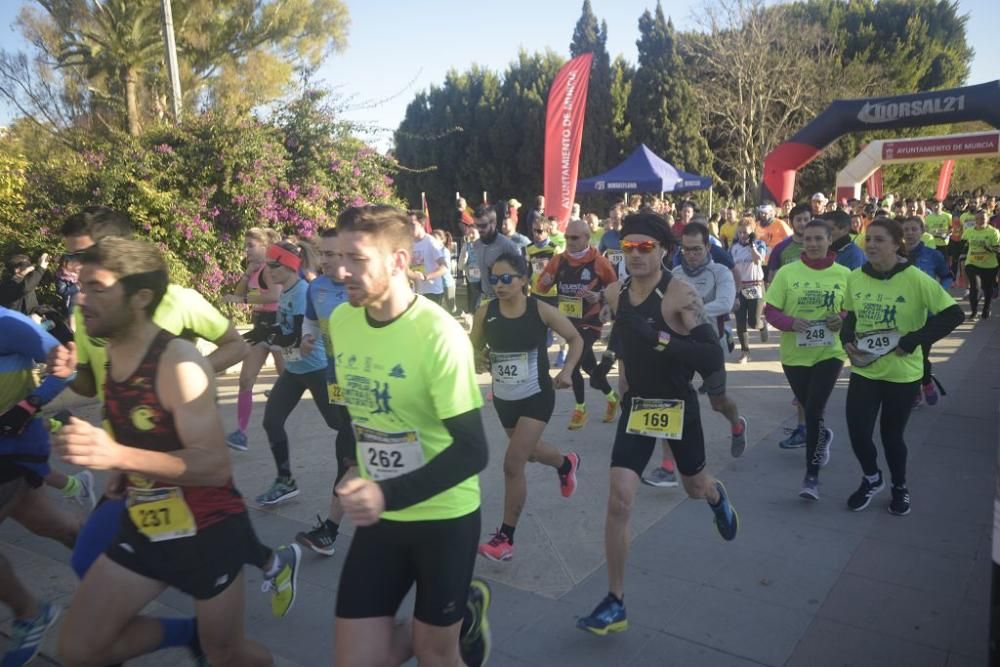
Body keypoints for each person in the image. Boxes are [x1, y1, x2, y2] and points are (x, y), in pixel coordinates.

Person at [58, 207, 300, 621]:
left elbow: (233, 346)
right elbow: (90, 382)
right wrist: (67, 374)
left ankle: (216, 617)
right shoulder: (90, 313)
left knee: (210, 519)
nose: (81, 277)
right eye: (76, 264)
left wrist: (180, 382)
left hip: (177, 454)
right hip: (131, 469)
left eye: (87, 258)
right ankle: (267, 567)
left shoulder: (177, 299)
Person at [329, 204, 492, 667]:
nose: (341, 271)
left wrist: (385, 493)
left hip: (444, 520)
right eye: (337, 257)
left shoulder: (438, 336)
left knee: (435, 657)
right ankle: (455, 618)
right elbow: (355, 411)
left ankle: (460, 619)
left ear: (400, 261)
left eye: (356, 259)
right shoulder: (343, 322)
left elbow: (473, 451)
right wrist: (351, 470)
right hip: (381, 520)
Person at [576, 213, 739, 635]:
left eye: (645, 247)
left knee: (694, 486)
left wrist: (658, 337)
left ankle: (717, 496)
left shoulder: (680, 294)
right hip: (638, 405)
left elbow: (709, 355)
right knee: (620, 499)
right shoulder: (615, 291)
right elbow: (622, 333)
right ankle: (615, 601)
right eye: (628, 248)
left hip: (677, 405)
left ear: (663, 249)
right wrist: (609, 362)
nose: (635, 255)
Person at [840, 218, 964, 515]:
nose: (871, 244)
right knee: (857, 432)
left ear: (897, 245)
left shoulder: (916, 279)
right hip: (865, 369)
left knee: (891, 436)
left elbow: (953, 315)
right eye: (868, 239)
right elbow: (852, 315)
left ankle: (899, 486)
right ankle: (872, 478)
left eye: (879, 240)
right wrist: (846, 338)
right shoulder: (856, 277)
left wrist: (913, 340)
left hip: (902, 373)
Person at [471, 252, 583, 561]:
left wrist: (567, 371)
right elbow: (474, 349)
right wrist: (478, 359)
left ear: (523, 281)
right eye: (494, 278)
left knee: (513, 463)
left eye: (507, 278)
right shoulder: (485, 312)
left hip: (537, 395)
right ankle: (565, 464)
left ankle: (505, 538)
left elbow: (575, 339)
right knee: (531, 452)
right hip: (505, 398)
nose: (499, 285)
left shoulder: (540, 310)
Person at [0, 307, 83, 667]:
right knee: (51, 524)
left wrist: (27, 405)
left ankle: (29, 613)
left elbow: (69, 365)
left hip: (11, 451)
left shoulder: (9, 325)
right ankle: (121, 563)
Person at [253, 241, 349, 506]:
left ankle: (366, 465)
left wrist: (268, 335)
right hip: (295, 370)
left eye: (273, 265)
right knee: (271, 421)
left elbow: (294, 336)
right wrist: (267, 332)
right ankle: (285, 480)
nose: (268, 271)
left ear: (288, 265)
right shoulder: (286, 290)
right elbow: (285, 331)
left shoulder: (304, 289)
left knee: (340, 425)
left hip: (317, 369)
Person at [764, 220, 850, 500]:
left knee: (814, 411)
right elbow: (771, 311)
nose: (812, 244)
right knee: (809, 407)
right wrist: (790, 323)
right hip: (794, 355)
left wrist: (842, 318)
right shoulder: (788, 274)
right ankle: (821, 437)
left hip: (830, 352)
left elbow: (852, 310)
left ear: (830, 240)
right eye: (807, 239)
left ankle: (811, 477)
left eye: (818, 239)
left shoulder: (845, 274)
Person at [294, 228, 356, 556]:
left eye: (336, 254)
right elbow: (312, 322)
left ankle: (331, 530)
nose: (329, 261)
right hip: (337, 381)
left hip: (370, 386)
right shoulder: (316, 288)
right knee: (348, 452)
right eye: (325, 254)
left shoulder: (362, 289)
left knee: (349, 452)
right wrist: (307, 338)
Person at [670, 223, 747, 456]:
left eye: (696, 249)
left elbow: (724, 303)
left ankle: (737, 424)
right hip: (681, 345)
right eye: (686, 249)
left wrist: (688, 311)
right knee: (670, 401)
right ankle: (667, 465)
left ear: (707, 248)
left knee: (718, 403)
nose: (691, 255)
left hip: (711, 345)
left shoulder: (720, 272)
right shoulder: (675, 275)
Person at [536, 219, 620, 429]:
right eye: (566, 237)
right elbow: (542, 287)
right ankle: (612, 397)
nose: (569, 241)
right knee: (590, 366)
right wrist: (545, 280)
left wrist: (599, 295)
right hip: (568, 322)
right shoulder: (558, 260)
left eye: (574, 238)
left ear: (586, 238)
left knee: (571, 364)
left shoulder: (600, 262)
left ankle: (580, 409)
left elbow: (616, 290)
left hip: (591, 322)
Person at [221, 227, 285, 451]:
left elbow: (274, 295)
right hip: (260, 327)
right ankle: (241, 433)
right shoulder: (256, 270)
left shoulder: (270, 269)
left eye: (251, 245)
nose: (246, 250)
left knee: (288, 380)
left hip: (276, 324)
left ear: (265, 247)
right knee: (246, 380)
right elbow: (239, 294)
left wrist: (245, 299)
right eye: (245, 245)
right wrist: (248, 274)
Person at [902, 216, 953, 407]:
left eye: (914, 229)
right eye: (906, 229)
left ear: (922, 231)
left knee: (921, 354)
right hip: (901, 314)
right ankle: (918, 386)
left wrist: (939, 293)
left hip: (927, 315)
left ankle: (923, 383)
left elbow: (947, 276)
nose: (909, 233)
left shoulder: (933, 255)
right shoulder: (895, 255)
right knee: (907, 351)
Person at [730, 215, 768, 363]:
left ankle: (761, 325)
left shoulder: (760, 244)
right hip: (740, 287)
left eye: (746, 232)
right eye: (740, 232)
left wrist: (752, 244)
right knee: (740, 322)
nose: (742, 235)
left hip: (755, 286)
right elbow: (730, 267)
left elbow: (758, 259)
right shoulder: (734, 248)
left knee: (752, 321)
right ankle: (745, 352)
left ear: (752, 231)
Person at [472, 204, 521, 302]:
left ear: (494, 223)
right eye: (477, 225)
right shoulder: (476, 245)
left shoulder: (508, 246)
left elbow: (521, 275)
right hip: (485, 298)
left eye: (483, 225)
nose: (479, 229)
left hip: (505, 300)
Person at [962, 209, 1000, 320]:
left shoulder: (993, 232)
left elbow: (998, 248)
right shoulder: (969, 231)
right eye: (977, 218)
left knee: (987, 289)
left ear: (987, 219)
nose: (980, 221)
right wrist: (962, 256)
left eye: (983, 218)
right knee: (975, 287)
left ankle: (986, 308)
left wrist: (990, 249)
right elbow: (964, 245)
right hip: (972, 263)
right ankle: (973, 312)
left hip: (989, 265)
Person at [406, 210, 449, 306]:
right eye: (407, 224)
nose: (409, 228)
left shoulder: (431, 242)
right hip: (416, 292)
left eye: (412, 224)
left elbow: (444, 267)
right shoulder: (409, 243)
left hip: (432, 291)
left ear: (421, 224)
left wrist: (426, 277)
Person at [457, 224, 482, 317]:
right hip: (472, 280)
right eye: (469, 233)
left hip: (484, 279)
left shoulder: (485, 245)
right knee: (473, 303)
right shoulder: (466, 246)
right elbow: (460, 266)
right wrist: (464, 257)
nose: (470, 235)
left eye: (473, 233)